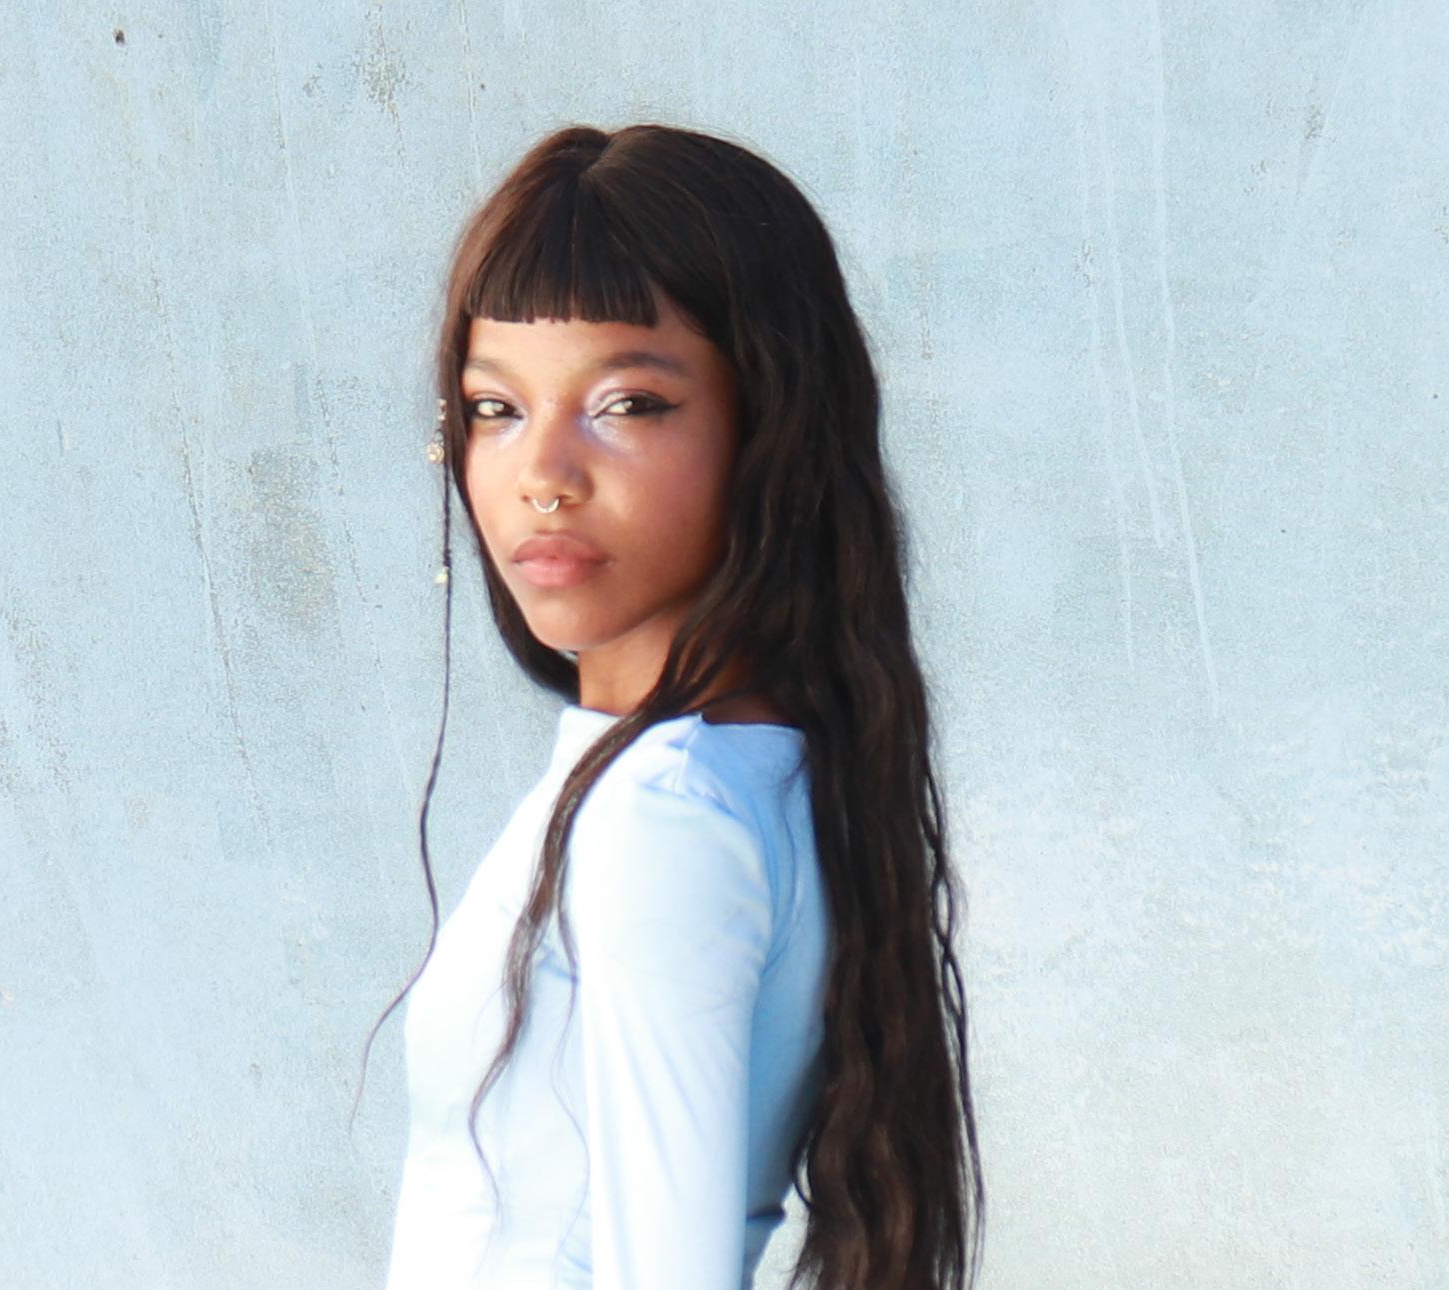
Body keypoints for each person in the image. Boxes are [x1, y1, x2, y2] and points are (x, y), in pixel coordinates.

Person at [352, 123, 985, 1289]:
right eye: (494, 408)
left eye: (627, 403)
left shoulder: (665, 812)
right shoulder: (751, 779)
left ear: (770, 427)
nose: (544, 476)